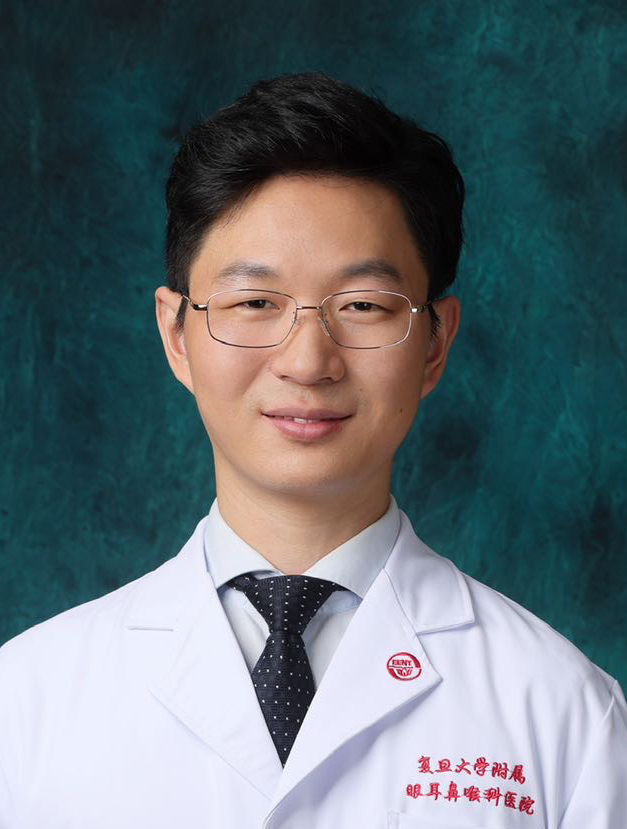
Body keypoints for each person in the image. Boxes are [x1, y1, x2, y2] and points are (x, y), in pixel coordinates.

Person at [0, 71, 625, 829]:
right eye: (254, 302)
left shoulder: (565, 714)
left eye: (362, 305)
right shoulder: (25, 702)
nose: (307, 361)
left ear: (434, 343)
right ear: (177, 335)